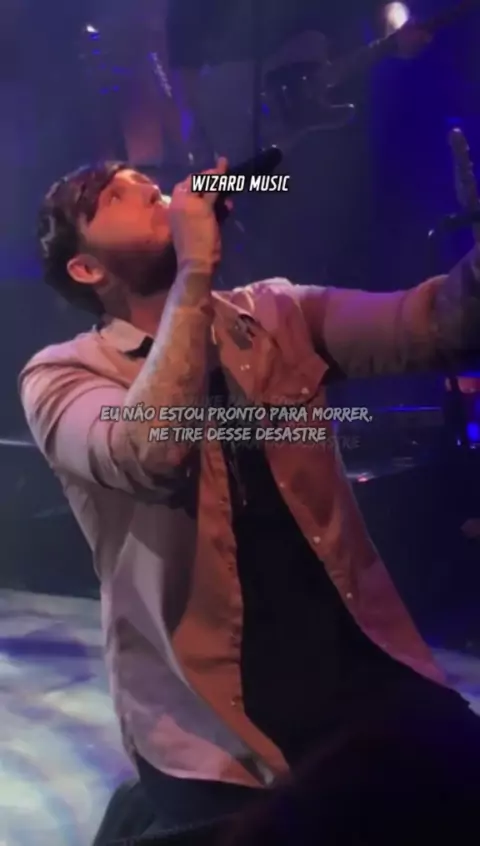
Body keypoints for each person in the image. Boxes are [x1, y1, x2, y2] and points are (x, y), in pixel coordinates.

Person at [19, 158, 480, 842]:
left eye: (147, 181)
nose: (148, 187)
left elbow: (436, 324)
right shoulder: (63, 375)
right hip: (212, 720)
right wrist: (194, 271)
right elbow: (152, 451)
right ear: (86, 269)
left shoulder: (275, 313)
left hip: (352, 668)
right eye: (115, 194)